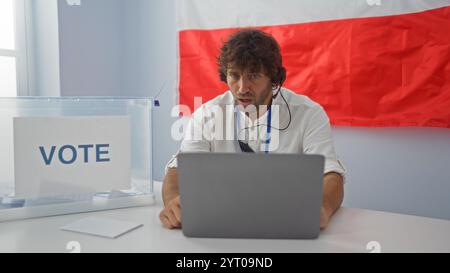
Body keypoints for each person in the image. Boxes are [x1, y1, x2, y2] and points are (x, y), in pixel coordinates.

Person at [159, 28, 346, 230]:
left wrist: (322, 208)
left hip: (286, 225)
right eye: (234, 75)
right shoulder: (206, 115)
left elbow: (331, 175)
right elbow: (179, 169)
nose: (242, 87)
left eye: (254, 76)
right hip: (222, 223)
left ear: (274, 78)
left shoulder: (309, 113)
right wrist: (173, 202)